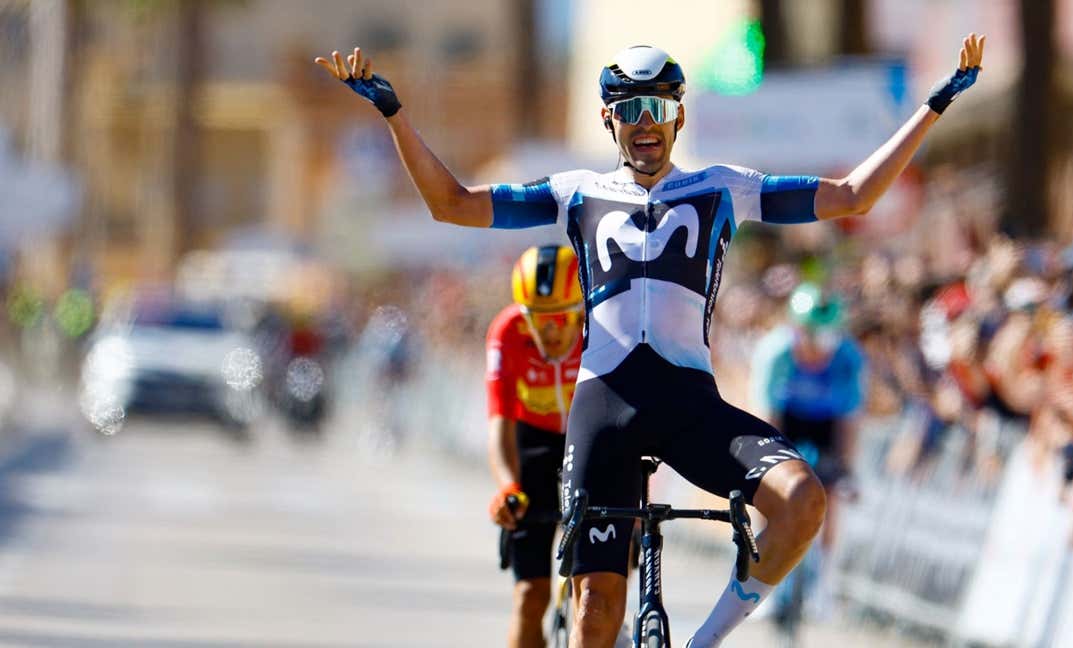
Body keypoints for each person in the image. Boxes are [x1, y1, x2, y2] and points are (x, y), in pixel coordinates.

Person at [316, 33, 985, 647]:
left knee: (805, 501)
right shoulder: (575, 192)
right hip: (604, 411)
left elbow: (853, 196)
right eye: (630, 110)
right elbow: (453, 205)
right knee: (597, 612)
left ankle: (704, 642)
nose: (645, 125)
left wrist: (931, 107)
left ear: (680, 118)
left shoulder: (721, 187)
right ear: (609, 119)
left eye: (659, 110)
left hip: (691, 406)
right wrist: (395, 115)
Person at [748, 283, 865, 623]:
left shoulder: (848, 359)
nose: (816, 345)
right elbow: (765, 417)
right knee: (767, 492)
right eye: (808, 335)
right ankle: (761, 579)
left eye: (824, 336)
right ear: (796, 329)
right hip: (784, 419)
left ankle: (825, 583)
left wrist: (845, 470)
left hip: (826, 424)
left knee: (832, 494)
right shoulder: (775, 352)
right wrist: (764, 467)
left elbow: (849, 423)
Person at [486, 245, 584, 648]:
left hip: (587, 439)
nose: (548, 332)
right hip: (534, 445)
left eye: (559, 319)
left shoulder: (602, 327)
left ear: (581, 309)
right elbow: (499, 425)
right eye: (537, 319)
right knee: (530, 597)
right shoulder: (508, 332)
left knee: (592, 595)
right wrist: (508, 487)